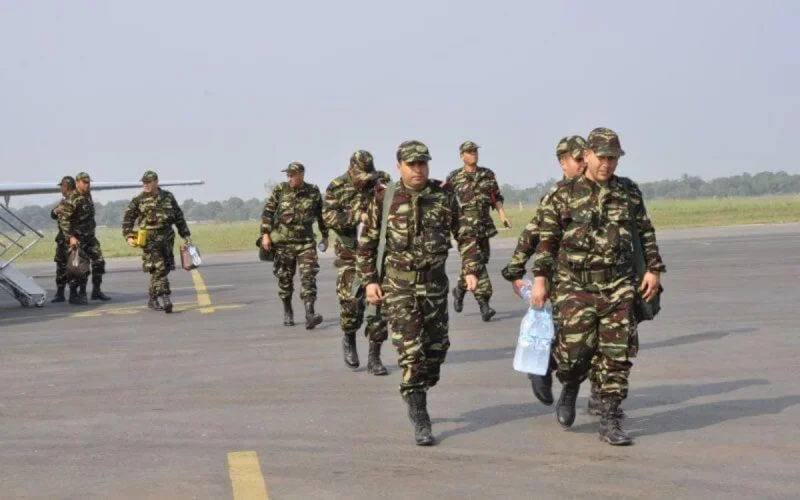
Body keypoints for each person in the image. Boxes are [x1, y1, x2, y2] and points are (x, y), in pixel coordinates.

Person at [530, 128, 665, 445]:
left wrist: (653, 270)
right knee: (576, 355)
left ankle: (610, 418)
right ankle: (561, 374)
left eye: (613, 158)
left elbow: (644, 232)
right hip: (575, 287)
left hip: (618, 287)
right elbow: (547, 243)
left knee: (616, 357)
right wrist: (539, 280)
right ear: (587, 155)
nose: (607, 164)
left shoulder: (628, 192)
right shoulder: (563, 195)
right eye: (602, 156)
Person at [357, 140, 482, 446]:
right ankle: (419, 413)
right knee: (411, 352)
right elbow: (367, 243)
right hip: (399, 287)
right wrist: (370, 281)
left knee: (436, 352)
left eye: (422, 164)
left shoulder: (444, 196)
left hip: (435, 285)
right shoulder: (384, 199)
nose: (418, 169)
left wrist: (471, 268)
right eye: (411, 164)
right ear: (399, 166)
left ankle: (421, 386)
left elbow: (465, 234)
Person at [500, 136, 589, 407]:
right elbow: (533, 233)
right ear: (563, 163)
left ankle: (600, 397)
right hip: (566, 279)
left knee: (597, 342)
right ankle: (543, 366)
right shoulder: (557, 196)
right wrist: (516, 269)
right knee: (573, 338)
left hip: (602, 279)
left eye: (586, 157)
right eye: (578, 159)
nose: (585, 164)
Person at [322, 150, 391, 375]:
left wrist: (383, 194)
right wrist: (359, 217)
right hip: (349, 254)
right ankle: (349, 337)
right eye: (362, 176)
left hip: (376, 254)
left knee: (378, 307)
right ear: (351, 170)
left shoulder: (381, 181)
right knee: (351, 303)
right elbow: (330, 218)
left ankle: (375, 357)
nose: (365, 181)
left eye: (368, 176)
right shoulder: (337, 187)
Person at [447, 141, 511, 321]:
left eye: (475, 151)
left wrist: (503, 216)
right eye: (469, 152)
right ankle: (484, 304)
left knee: (477, 262)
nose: (473, 154)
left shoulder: (487, 175)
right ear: (462, 156)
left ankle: (460, 288)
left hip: (483, 227)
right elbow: (447, 204)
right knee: (476, 263)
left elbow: (495, 198)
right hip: (464, 229)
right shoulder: (453, 178)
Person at [261, 162, 329, 329]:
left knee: (309, 277)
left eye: (293, 175)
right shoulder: (281, 190)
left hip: (306, 243)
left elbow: (321, 215)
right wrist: (265, 235)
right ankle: (288, 310)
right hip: (284, 243)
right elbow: (268, 212)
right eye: (288, 175)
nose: (289, 177)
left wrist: (325, 236)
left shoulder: (313, 191)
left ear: (302, 175)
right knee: (285, 279)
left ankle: (309, 314)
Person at [121, 170, 192, 313]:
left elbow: (178, 217)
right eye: (144, 182)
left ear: (156, 182)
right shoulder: (138, 200)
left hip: (166, 239)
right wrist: (129, 236)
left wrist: (185, 235)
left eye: (148, 182)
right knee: (159, 268)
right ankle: (165, 298)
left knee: (163, 269)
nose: (145, 185)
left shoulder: (168, 197)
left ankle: (152, 299)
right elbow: (128, 219)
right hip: (149, 240)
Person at [58, 171, 111, 304]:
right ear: (78, 183)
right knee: (80, 269)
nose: (87, 185)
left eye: (88, 182)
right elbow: (64, 220)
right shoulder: (73, 198)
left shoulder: (88, 196)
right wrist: (71, 237)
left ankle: (96, 291)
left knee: (99, 262)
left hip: (90, 238)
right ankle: (76, 294)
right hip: (78, 239)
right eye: (84, 182)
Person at [49, 176, 76, 303]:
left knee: (73, 268)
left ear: (67, 186)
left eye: (62, 186)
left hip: (72, 241)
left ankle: (74, 294)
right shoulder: (63, 201)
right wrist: (57, 210)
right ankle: (60, 293)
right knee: (61, 267)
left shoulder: (76, 201)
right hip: (62, 241)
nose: (61, 188)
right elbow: (52, 215)